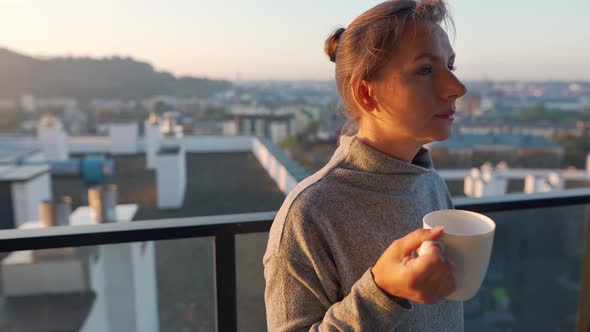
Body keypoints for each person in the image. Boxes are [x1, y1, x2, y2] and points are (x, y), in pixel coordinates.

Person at [263, 0, 467, 330]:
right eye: (426, 70)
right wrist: (382, 293)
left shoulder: (429, 182)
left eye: (451, 66)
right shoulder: (309, 213)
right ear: (366, 94)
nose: (457, 88)